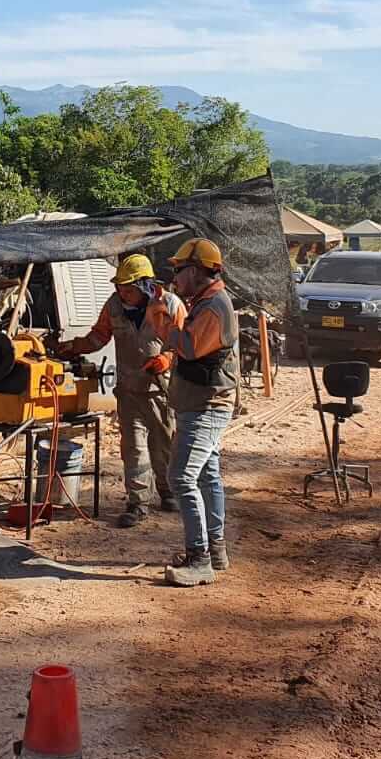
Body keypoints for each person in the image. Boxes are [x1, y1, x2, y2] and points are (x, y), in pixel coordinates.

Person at [52, 254, 186, 527]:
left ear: (146, 285)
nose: (121, 292)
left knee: (163, 443)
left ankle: (168, 490)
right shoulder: (114, 305)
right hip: (128, 389)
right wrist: (72, 347)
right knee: (133, 447)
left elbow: (188, 344)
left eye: (128, 288)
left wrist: (167, 359)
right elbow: (98, 336)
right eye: (120, 287)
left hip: (160, 389)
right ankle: (138, 502)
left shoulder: (170, 305)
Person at [161, 237, 240, 587]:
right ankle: (217, 550)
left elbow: (189, 348)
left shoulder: (213, 307)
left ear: (195, 270)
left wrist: (164, 319)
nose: (175, 278)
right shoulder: (206, 301)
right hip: (202, 402)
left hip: (206, 406)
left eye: (179, 270)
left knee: (180, 478)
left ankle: (199, 559)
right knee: (207, 475)